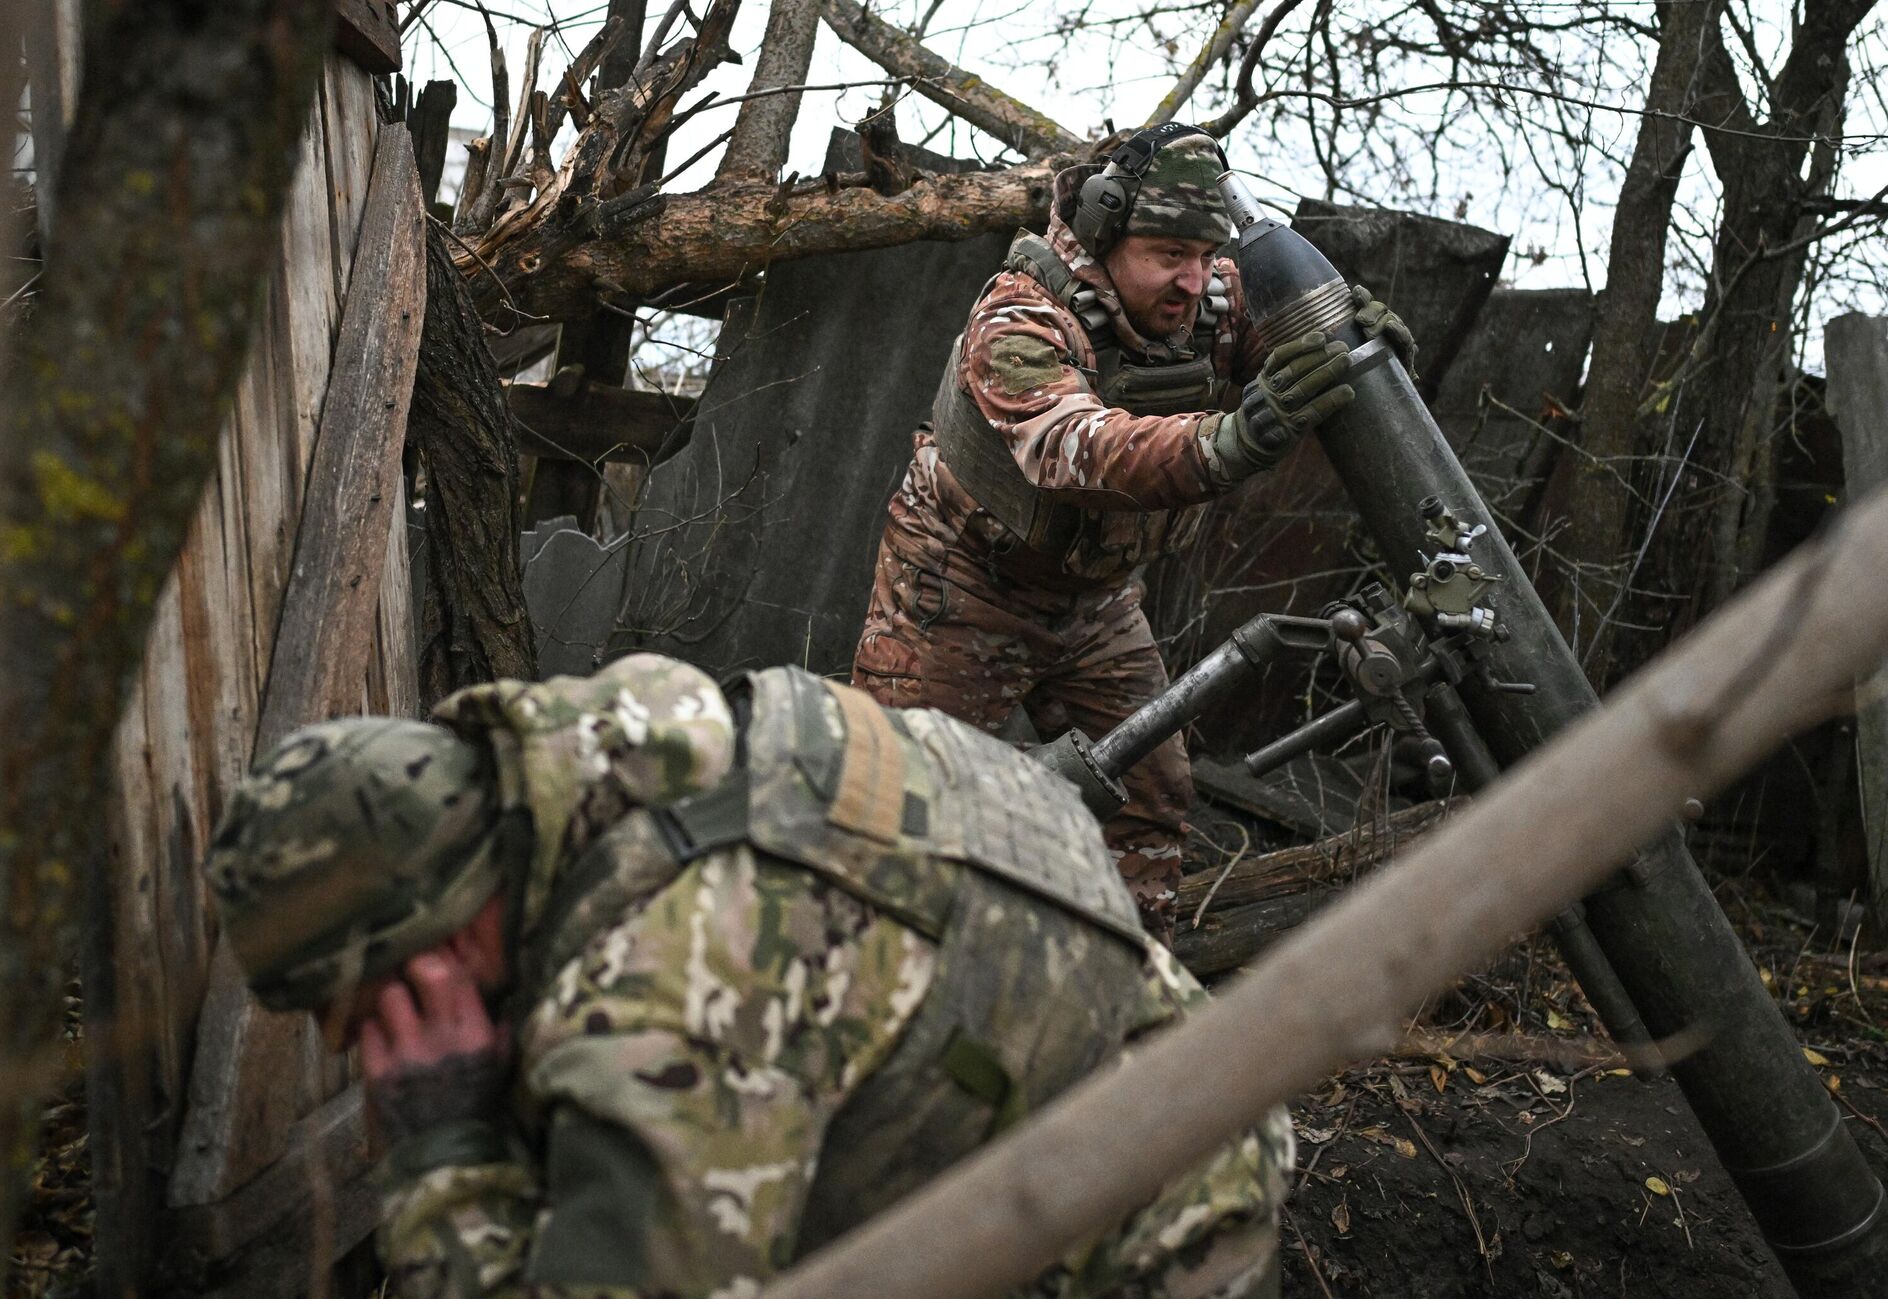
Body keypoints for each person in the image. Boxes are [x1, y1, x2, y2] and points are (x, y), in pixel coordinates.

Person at [205, 653, 1295, 1298]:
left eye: (351, 1012)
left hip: (1140, 1245)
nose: (352, 1050)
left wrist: (443, 1159)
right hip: (1095, 1099)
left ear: (431, 948)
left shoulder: (662, 1010)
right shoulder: (636, 743)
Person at [853, 122, 1415, 942]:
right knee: (894, 804)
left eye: (1204, 254)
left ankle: (1123, 986)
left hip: (1096, 604)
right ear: (1104, 235)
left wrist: (1342, 340)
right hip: (961, 586)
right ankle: (860, 990)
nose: (1194, 281)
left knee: (1151, 798)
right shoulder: (1019, 317)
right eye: (1167, 255)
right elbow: (1076, 448)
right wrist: (1228, 441)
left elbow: (1278, 344)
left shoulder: (1205, 294)